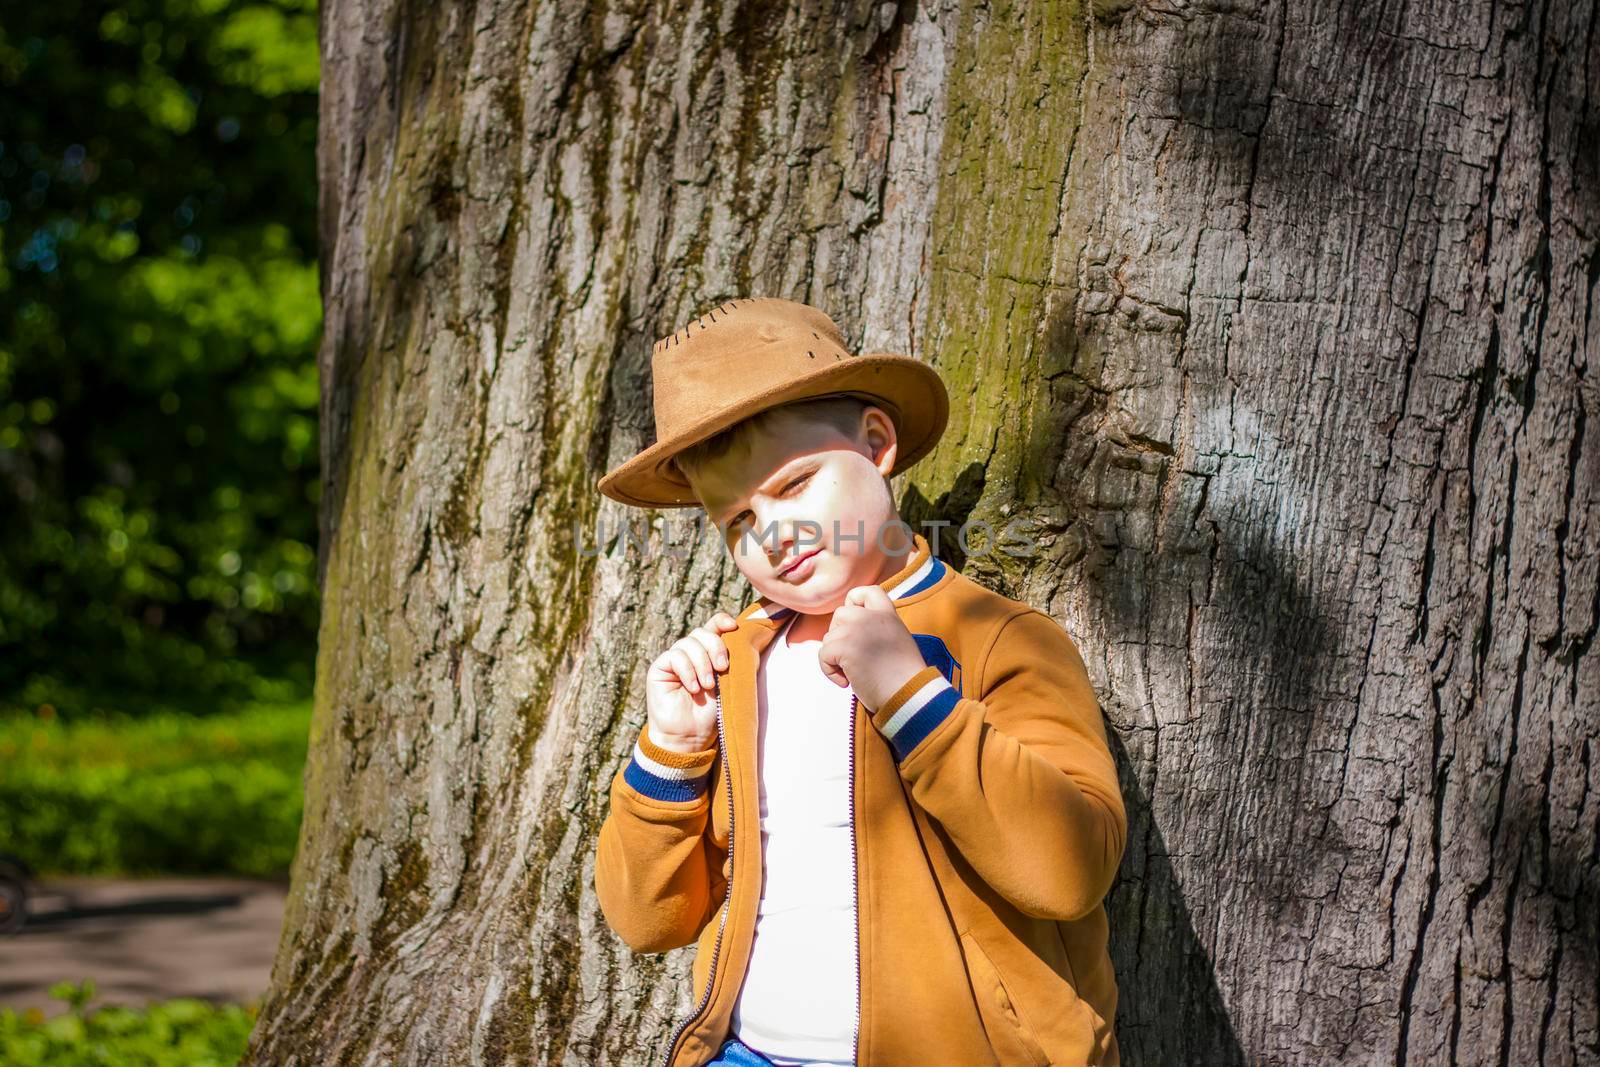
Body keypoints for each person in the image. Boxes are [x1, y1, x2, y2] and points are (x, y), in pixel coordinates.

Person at [592, 296, 1126, 1066]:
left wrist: (911, 696)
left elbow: (1070, 869)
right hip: (749, 1053)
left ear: (876, 442)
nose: (773, 537)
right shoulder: (738, 664)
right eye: (738, 521)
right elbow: (649, 919)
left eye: (796, 484)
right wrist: (671, 750)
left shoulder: (997, 638)